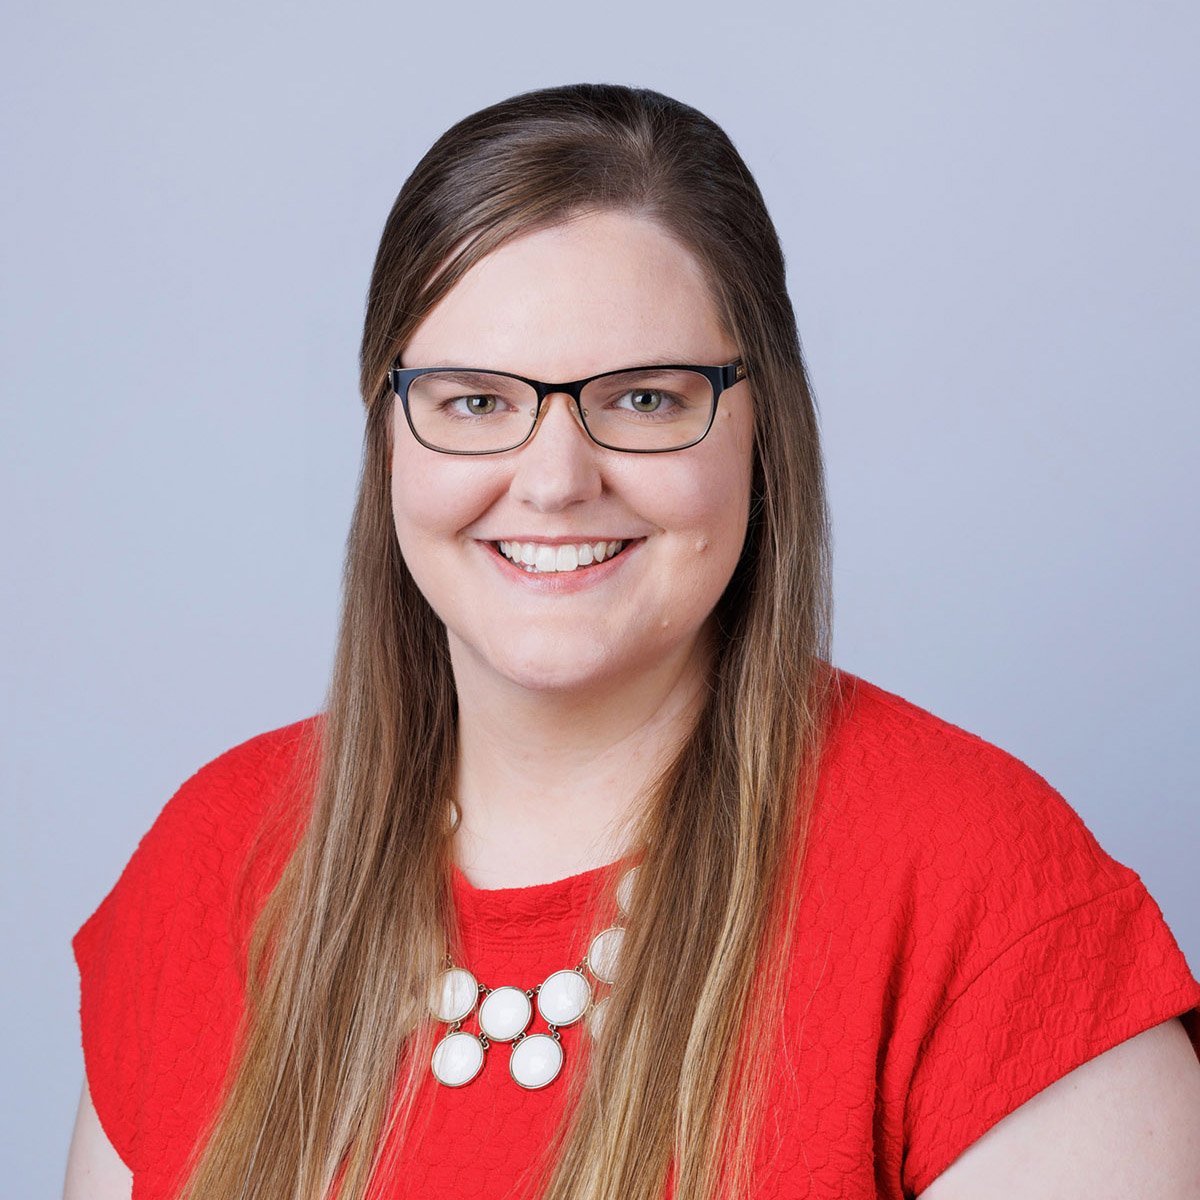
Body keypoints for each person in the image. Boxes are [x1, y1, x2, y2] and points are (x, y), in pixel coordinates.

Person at [64, 83, 1200, 1200]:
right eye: (474, 402)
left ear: (764, 430)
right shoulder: (211, 861)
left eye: (645, 400)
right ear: (387, 432)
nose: (556, 481)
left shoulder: (985, 896)